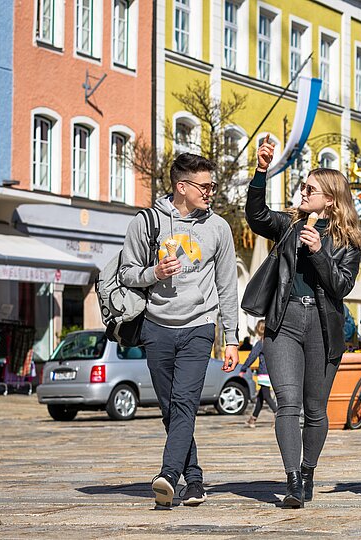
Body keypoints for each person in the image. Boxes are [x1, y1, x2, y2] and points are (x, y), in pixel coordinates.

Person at [227, 140, 361, 509]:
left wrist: (319, 252)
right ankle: (291, 480)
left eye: (310, 189)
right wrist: (261, 171)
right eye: (302, 188)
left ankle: (307, 470)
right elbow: (256, 216)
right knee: (287, 402)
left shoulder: (350, 240)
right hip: (284, 321)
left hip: (323, 325)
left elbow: (341, 286)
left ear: (331, 200)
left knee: (315, 408)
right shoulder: (289, 225)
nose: (302, 193)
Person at [119, 153, 241, 509]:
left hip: (199, 325)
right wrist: (153, 273)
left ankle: (168, 475)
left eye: (213, 186)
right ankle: (196, 480)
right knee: (171, 410)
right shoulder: (148, 222)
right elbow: (126, 272)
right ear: (181, 187)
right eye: (205, 186)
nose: (211, 192)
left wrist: (231, 338)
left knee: (186, 401)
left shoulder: (218, 227)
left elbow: (227, 286)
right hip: (156, 327)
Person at [240, 320, 277, 428]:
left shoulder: (260, 343)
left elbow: (252, 356)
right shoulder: (272, 342)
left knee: (266, 396)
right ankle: (253, 419)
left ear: (259, 330)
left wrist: (243, 369)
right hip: (272, 372)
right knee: (261, 397)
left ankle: (278, 414)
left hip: (264, 373)